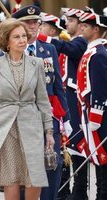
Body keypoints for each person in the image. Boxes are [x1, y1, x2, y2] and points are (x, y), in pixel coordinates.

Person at [0, 18, 54, 200]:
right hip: (5, 129)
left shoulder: (36, 64)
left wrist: (49, 132)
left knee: (33, 176)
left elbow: (43, 101)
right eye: (16, 37)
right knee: (10, 177)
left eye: (24, 36)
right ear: (6, 41)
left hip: (32, 126)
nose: (22, 40)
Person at [12, 5, 71, 200]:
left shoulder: (49, 49)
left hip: (48, 118)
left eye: (36, 22)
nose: (33, 26)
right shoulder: (10, 51)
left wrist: (66, 119)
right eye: (28, 23)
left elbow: (58, 86)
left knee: (52, 165)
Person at [38, 8, 88, 200]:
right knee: (67, 145)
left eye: (71, 20)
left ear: (81, 24)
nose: (66, 23)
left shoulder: (79, 42)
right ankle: (65, 188)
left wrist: (42, 39)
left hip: (74, 100)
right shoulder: (68, 43)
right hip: (64, 99)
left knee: (75, 144)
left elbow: (70, 50)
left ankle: (78, 190)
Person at [77, 11, 107, 200]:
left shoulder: (99, 54)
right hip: (88, 111)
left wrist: (95, 115)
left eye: (86, 26)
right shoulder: (91, 51)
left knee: (103, 157)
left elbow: (100, 86)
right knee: (98, 159)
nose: (81, 28)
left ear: (96, 29)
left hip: (99, 115)